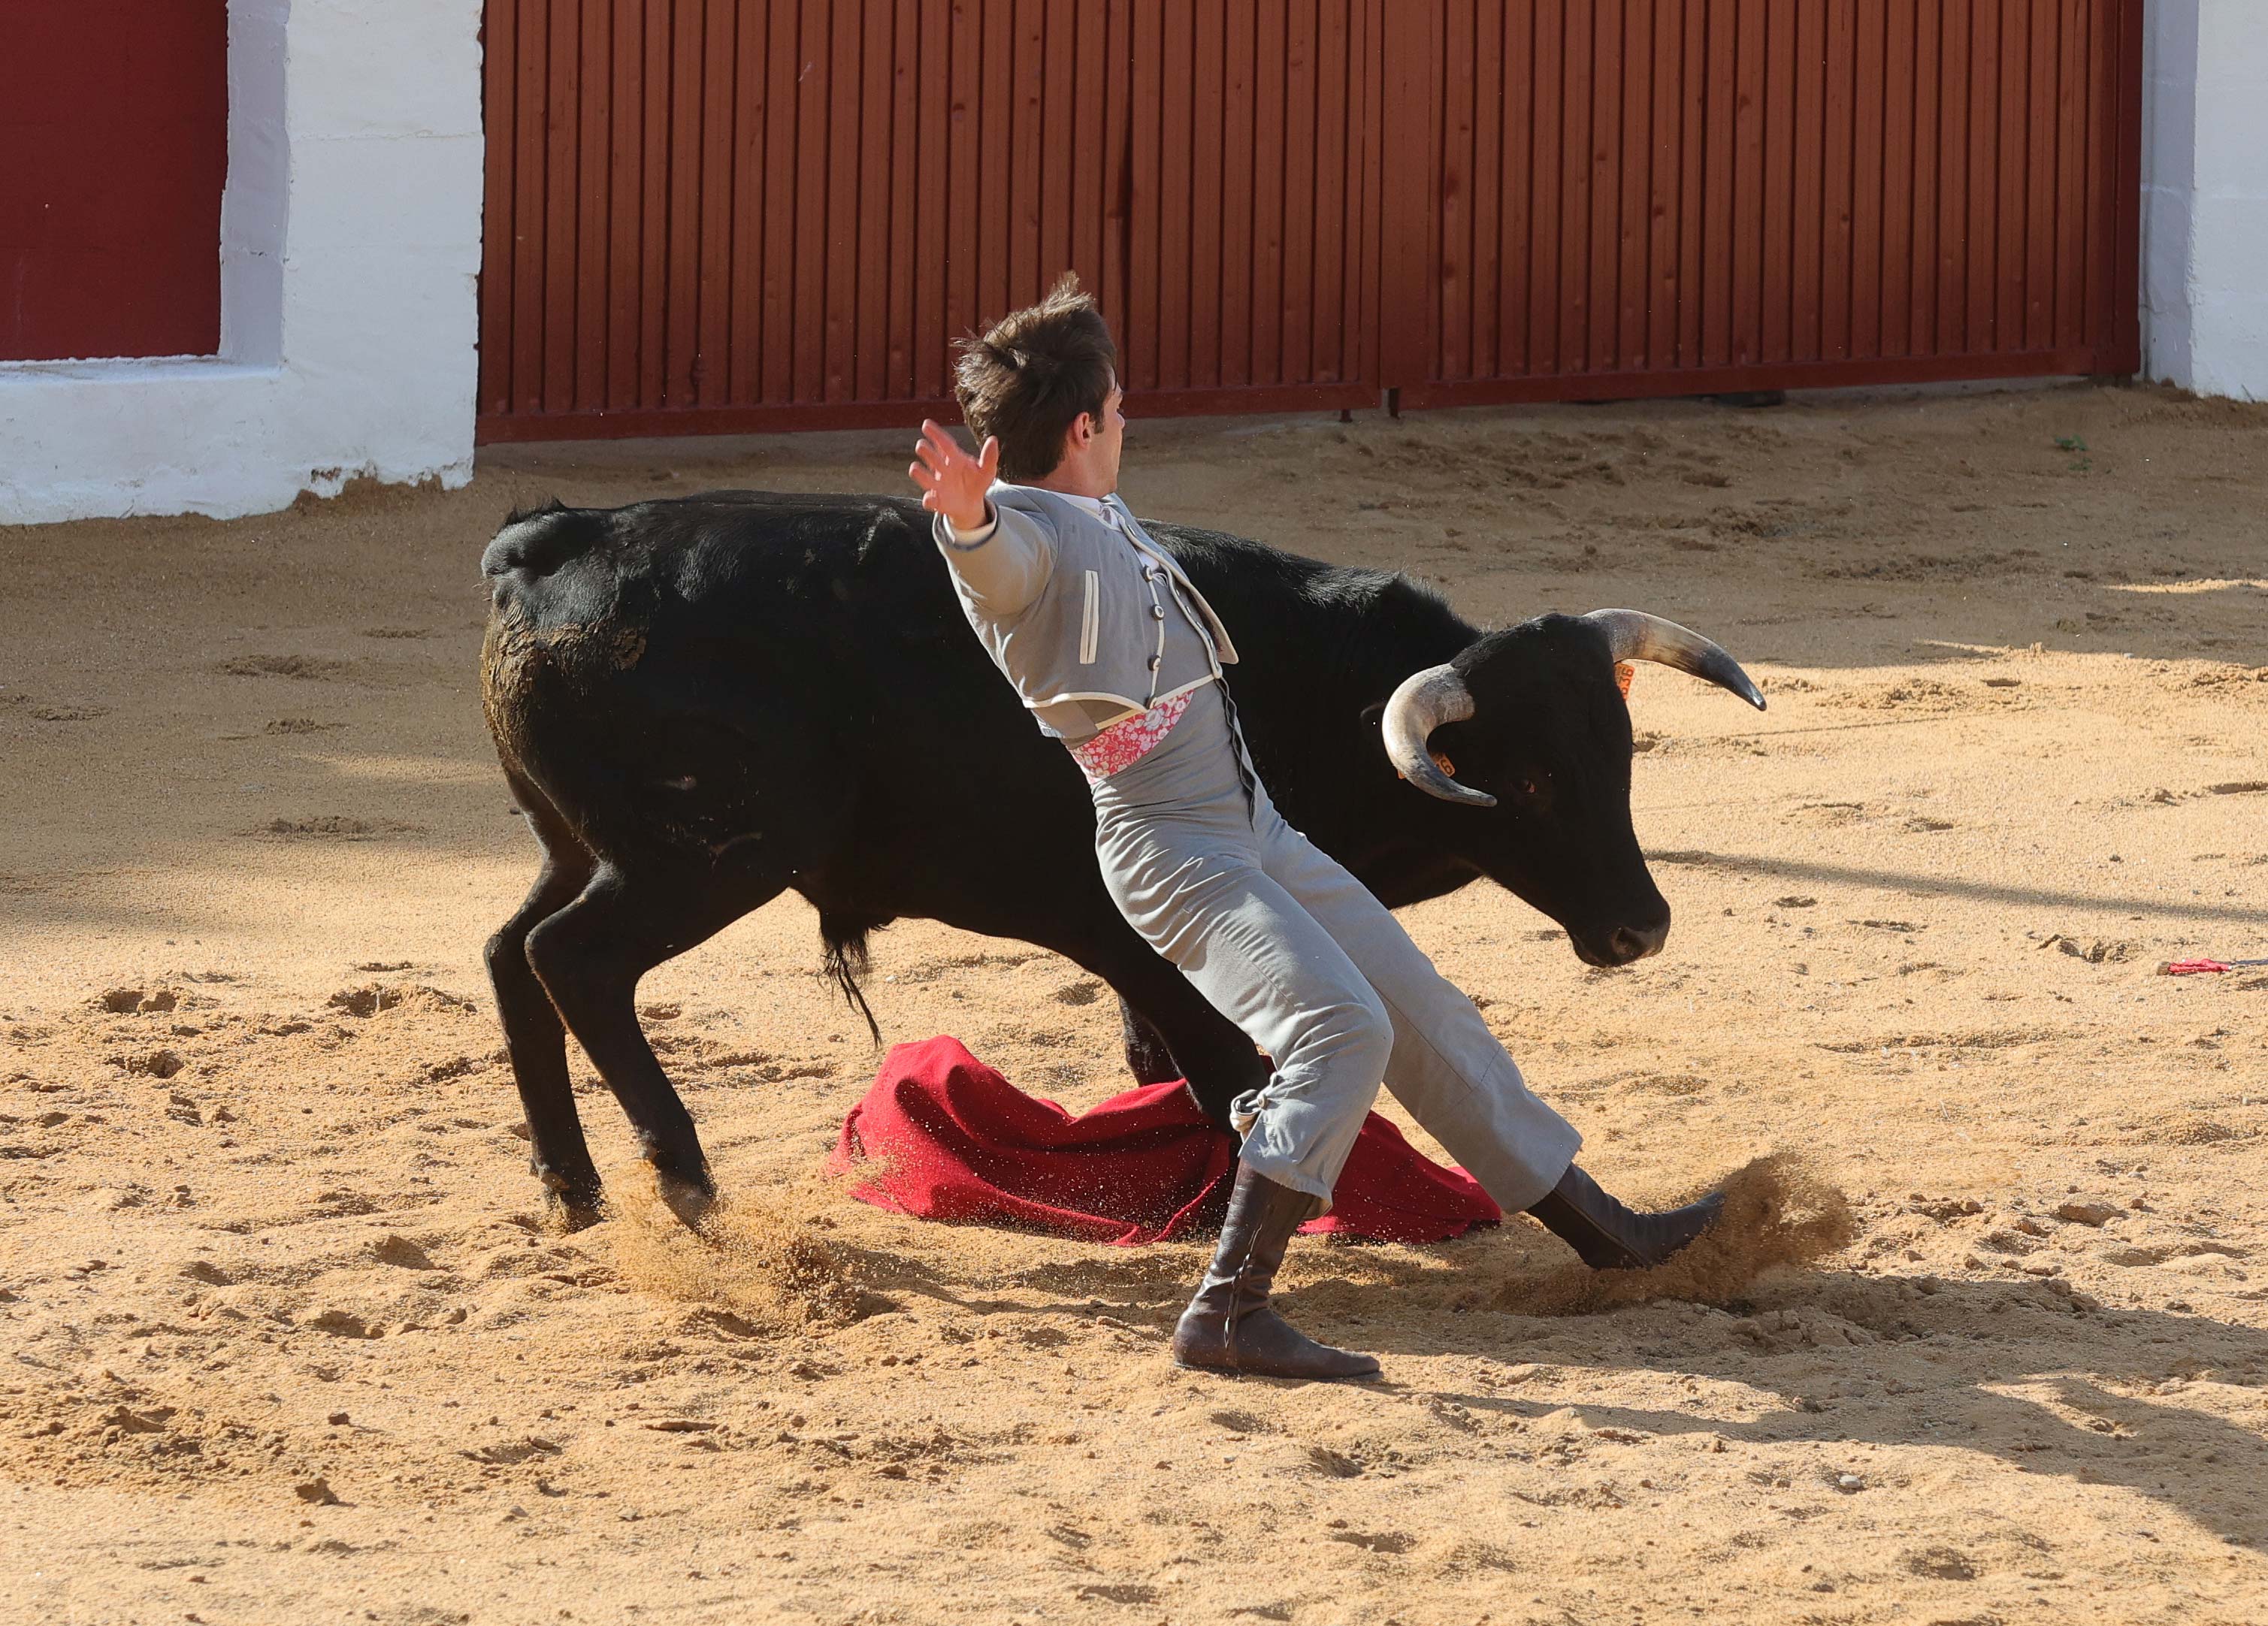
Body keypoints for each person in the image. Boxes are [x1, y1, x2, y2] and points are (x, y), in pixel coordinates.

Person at [907, 277, 1722, 1380]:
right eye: (1121, 406)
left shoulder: (1092, 514)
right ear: (1088, 423)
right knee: (1339, 1032)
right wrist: (969, 525)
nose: (1131, 421)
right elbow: (1004, 568)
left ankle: (1602, 1234)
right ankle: (1228, 1311)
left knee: (1417, 1009)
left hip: (1250, 824)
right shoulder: (1036, 530)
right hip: (1173, 848)